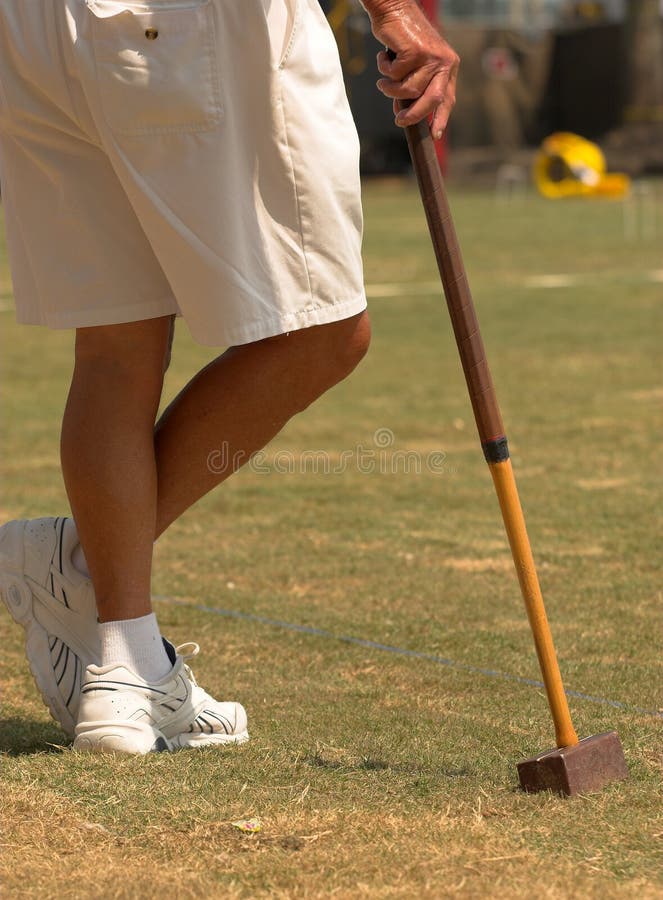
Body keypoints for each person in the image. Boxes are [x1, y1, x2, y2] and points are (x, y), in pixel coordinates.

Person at [0, 0, 459, 754]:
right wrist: (395, 10)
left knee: (115, 348)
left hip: (36, 30)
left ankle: (125, 667)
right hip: (186, 27)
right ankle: (80, 567)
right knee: (325, 329)